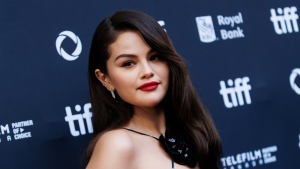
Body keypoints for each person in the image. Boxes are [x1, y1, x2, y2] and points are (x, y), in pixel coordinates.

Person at [85, 10, 222, 169]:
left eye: (154, 57)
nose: (147, 71)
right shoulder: (117, 144)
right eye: (128, 63)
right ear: (104, 78)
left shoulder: (191, 129)